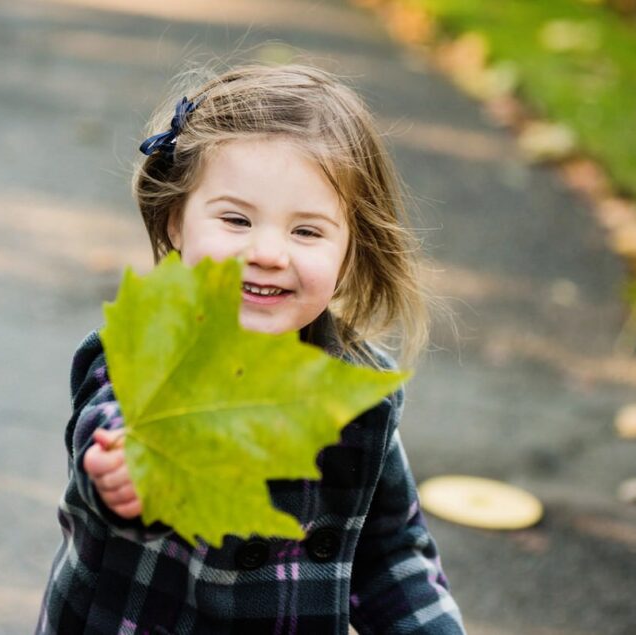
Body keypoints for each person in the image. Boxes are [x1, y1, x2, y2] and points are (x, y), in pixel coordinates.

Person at [36, 63, 466, 634]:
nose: (267, 252)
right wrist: (122, 477)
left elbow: (392, 553)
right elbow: (108, 421)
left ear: (350, 251)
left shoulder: (355, 389)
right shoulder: (144, 353)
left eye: (306, 231)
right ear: (175, 224)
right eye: (236, 220)